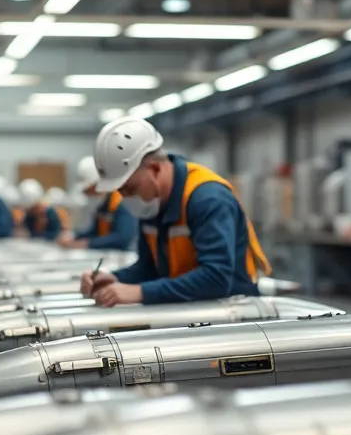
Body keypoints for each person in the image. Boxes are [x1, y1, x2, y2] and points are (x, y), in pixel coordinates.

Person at [79, 117, 270, 307]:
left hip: (233, 310)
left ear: (154, 169)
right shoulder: (152, 204)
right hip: (188, 308)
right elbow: (149, 268)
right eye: (120, 191)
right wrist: (113, 278)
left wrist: (140, 292)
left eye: (130, 189)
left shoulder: (208, 198)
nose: (126, 198)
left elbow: (216, 278)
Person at [58, 155, 137, 250]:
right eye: (86, 192)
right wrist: (74, 236)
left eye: (91, 191)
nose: (89, 195)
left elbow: (122, 238)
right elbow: (95, 233)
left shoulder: (122, 203)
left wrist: (87, 244)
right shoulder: (102, 206)